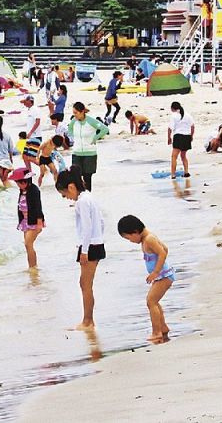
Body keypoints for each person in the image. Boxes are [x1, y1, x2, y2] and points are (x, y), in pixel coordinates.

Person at [56, 165, 106, 330]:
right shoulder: (89, 197)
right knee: (85, 284)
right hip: (96, 243)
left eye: (65, 194)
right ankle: (87, 320)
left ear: (71, 187)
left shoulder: (81, 202)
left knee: (85, 285)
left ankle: (88, 321)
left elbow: (87, 227)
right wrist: (98, 239)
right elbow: (101, 222)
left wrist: (84, 251)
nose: (66, 198)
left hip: (89, 246)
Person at [118, 215, 175, 343]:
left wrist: (156, 271)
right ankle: (163, 327)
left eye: (128, 238)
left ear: (135, 232)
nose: (130, 241)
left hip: (164, 276)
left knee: (151, 301)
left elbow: (162, 253)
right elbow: (165, 248)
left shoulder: (149, 239)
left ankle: (157, 332)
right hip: (162, 275)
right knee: (154, 301)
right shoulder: (147, 237)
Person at [68, 102, 109, 191]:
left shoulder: (91, 121)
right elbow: (69, 129)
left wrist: (95, 138)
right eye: (73, 113)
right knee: (76, 176)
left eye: (76, 113)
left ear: (82, 111)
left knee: (87, 177)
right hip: (76, 153)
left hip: (89, 153)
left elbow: (105, 129)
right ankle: (78, 198)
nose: (74, 115)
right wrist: (72, 137)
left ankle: (87, 198)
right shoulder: (74, 121)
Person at [9, 168, 44, 269]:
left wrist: (39, 223)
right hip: (25, 221)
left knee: (28, 244)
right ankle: (32, 267)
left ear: (25, 181)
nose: (18, 185)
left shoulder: (34, 190)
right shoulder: (23, 190)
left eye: (19, 183)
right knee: (28, 246)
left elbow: (38, 207)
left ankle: (33, 267)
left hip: (34, 221)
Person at [167, 102, 194, 178]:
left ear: (172, 108)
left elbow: (170, 128)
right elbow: (192, 126)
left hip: (178, 136)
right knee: (183, 156)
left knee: (174, 157)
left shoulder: (173, 116)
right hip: (187, 136)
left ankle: (173, 174)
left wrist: (169, 138)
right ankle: (186, 172)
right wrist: (191, 136)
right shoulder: (187, 115)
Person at [20, 95, 43, 171]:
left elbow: (38, 122)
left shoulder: (35, 109)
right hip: (29, 137)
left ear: (30, 101)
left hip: (35, 136)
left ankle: (46, 168)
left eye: (26, 101)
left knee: (31, 157)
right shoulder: (29, 110)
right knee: (24, 155)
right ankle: (29, 173)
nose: (24, 103)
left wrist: (30, 132)